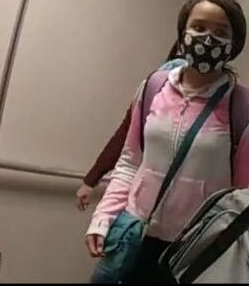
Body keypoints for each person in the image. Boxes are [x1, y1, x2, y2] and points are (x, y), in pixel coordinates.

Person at [85, 0, 249, 283]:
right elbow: (131, 161)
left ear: (234, 44)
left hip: (194, 249)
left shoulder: (244, 109)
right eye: (198, 27)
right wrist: (103, 218)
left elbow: (246, 197)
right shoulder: (152, 88)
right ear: (183, 32)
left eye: (221, 32)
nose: (207, 39)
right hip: (135, 234)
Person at [76, 45, 185, 212]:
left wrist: (91, 180)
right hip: (144, 196)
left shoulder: (223, 100)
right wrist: (91, 180)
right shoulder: (154, 87)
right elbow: (126, 139)